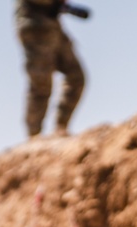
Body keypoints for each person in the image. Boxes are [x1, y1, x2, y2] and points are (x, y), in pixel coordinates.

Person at [14, 0, 87, 138]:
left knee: (76, 77)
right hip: (35, 26)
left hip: (51, 24)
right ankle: (34, 138)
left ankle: (60, 128)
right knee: (41, 85)